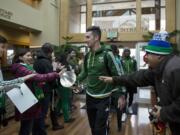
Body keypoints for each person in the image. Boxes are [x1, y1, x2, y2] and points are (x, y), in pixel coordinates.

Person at [99, 31, 180, 135]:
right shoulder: (157, 70)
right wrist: (114, 79)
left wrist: (164, 112)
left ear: (159, 56)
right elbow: (136, 77)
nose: (145, 58)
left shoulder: (175, 69)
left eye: (148, 53)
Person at [76, 26, 126, 135]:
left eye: (88, 37)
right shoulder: (88, 55)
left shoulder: (108, 54)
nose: (85, 39)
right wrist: (74, 81)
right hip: (89, 97)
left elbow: (119, 74)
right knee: (93, 128)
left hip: (104, 98)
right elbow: (84, 73)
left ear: (96, 38)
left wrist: (121, 95)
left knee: (99, 129)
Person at [11, 48, 65, 135]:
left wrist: (55, 72)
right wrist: (56, 74)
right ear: (20, 57)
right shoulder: (19, 68)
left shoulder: (25, 66)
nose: (30, 57)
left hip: (31, 98)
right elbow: (37, 77)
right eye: (27, 56)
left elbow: (37, 77)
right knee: (27, 126)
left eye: (30, 55)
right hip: (26, 100)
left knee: (32, 123)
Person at [33, 43, 64, 130]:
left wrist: (56, 71)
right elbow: (50, 77)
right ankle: (43, 128)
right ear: (50, 52)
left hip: (39, 89)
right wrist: (56, 85)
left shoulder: (37, 61)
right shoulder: (46, 62)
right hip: (47, 89)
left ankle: (42, 125)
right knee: (45, 110)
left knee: (40, 109)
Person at [121, 48, 137, 114]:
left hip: (131, 81)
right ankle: (124, 110)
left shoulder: (133, 60)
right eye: (126, 51)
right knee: (124, 95)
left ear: (130, 52)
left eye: (128, 51)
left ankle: (130, 106)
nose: (127, 52)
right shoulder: (121, 60)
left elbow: (136, 70)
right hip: (124, 81)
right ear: (124, 52)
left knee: (131, 95)